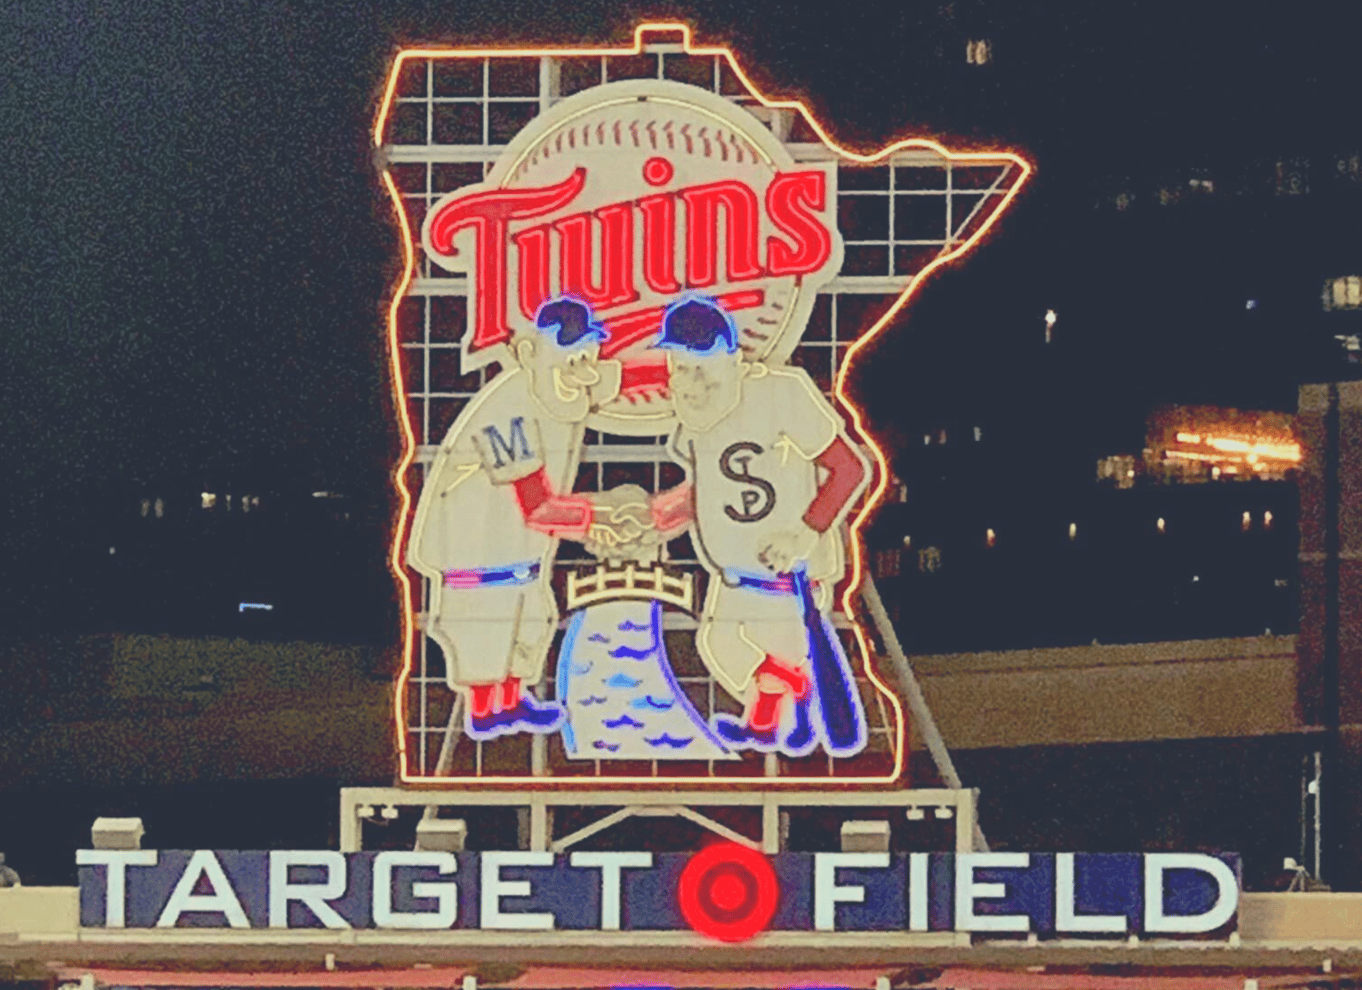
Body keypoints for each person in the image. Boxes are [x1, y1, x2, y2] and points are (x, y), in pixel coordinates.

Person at [649, 297, 871, 756]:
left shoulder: (781, 391)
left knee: (758, 645)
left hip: (786, 575)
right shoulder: (698, 414)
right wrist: (653, 519)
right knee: (718, 641)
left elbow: (848, 468)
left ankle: (785, 705)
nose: (685, 375)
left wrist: (806, 532)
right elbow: (706, 490)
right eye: (678, 362)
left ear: (725, 355)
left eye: (695, 361)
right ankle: (780, 706)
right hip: (733, 572)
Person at [408, 297, 629, 740]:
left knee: (530, 625)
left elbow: (628, 381)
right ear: (530, 353)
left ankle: (511, 703)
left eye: (587, 354)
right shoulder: (507, 406)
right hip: (477, 561)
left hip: (520, 559)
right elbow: (536, 505)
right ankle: (487, 712)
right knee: (486, 639)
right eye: (570, 355)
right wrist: (598, 519)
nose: (582, 367)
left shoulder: (557, 397)